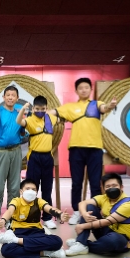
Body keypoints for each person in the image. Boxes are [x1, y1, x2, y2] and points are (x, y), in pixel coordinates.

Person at [48, 78, 117, 224]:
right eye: (81, 88)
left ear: (90, 89)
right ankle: (77, 212)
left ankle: (95, 212)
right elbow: (51, 112)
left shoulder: (96, 104)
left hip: (95, 149)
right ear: (76, 91)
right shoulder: (70, 107)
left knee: (95, 183)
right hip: (76, 149)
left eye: (86, 87)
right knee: (76, 183)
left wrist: (110, 106)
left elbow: (104, 108)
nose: (84, 90)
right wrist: (35, 112)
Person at [0, 179, 70, 258]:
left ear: (36, 192)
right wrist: (3, 220)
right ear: (21, 191)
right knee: (6, 250)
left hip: (36, 232)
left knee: (57, 241)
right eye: (27, 189)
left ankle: (15, 240)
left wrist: (60, 214)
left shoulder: (39, 201)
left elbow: (50, 208)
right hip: (18, 232)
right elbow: (9, 211)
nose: (30, 191)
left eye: (33, 189)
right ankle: (46, 253)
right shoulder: (16, 201)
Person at [65, 173, 130, 256]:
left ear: (121, 187)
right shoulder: (104, 198)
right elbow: (82, 203)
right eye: (108, 186)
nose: (111, 189)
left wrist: (82, 226)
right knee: (89, 207)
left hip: (122, 238)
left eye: (114, 186)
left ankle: (83, 244)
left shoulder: (128, 204)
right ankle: (81, 243)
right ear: (103, 189)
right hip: (106, 231)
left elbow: (108, 221)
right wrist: (84, 214)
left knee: (113, 240)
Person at [17, 95, 59, 229]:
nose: (40, 111)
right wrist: (23, 109)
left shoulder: (50, 118)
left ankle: (47, 218)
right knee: (31, 189)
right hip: (34, 158)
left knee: (47, 189)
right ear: (33, 109)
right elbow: (19, 121)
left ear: (46, 108)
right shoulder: (30, 120)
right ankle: (31, 217)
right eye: (37, 109)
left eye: (43, 109)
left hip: (48, 158)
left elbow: (59, 116)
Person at [0, 86, 25, 230]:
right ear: (3, 97)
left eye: (13, 95)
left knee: (14, 187)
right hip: (0, 152)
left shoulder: (19, 112)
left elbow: (23, 132)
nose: (10, 97)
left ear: (17, 98)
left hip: (16, 151)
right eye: (7, 95)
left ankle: (10, 218)